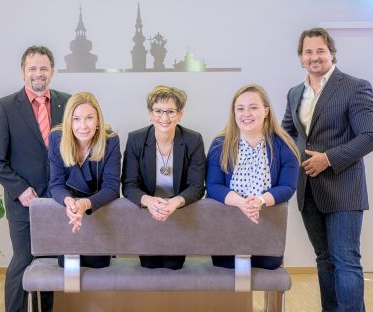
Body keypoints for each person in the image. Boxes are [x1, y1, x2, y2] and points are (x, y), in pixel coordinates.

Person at [282, 28, 373, 311]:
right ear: (301, 58)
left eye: (320, 50)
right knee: (323, 259)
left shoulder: (355, 86)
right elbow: (286, 134)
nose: (314, 57)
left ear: (332, 53)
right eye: (308, 52)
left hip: (343, 187)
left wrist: (328, 158)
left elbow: (368, 135)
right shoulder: (295, 92)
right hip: (308, 189)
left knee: (345, 259)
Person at [0, 46, 70, 312]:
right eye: (32, 68)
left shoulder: (67, 103)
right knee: (22, 262)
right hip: (24, 203)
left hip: (57, 202)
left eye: (44, 68)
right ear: (23, 72)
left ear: (52, 72)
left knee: (48, 265)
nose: (38, 74)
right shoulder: (6, 107)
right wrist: (20, 189)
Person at [206, 84, 299, 269]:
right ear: (234, 113)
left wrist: (259, 201)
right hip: (226, 228)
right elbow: (213, 185)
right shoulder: (219, 144)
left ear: (266, 111)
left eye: (253, 107)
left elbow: (287, 187)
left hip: (265, 227)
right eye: (240, 108)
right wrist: (242, 203)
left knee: (269, 262)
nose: (246, 113)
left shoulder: (285, 145)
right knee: (225, 264)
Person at [122, 85, 206, 270]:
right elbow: (129, 185)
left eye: (170, 111)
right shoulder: (136, 139)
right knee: (149, 267)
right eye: (158, 111)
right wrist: (148, 201)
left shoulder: (193, 140)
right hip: (147, 212)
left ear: (180, 113)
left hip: (178, 212)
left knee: (173, 267)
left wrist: (175, 202)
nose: (164, 118)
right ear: (150, 113)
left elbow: (197, 186)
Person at [48, 91, 121, 268]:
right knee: (69, 269)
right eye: (76, 119)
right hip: (69, 212)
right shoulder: (57, 138)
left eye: (89, 118)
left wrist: (84, 205)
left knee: (98, 267)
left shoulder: (110, 140)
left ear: (98, 121)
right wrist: (70, 203)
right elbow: (56, 184)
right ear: (69, 122)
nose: (83, 125)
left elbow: (112, 188)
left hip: (97, 209)